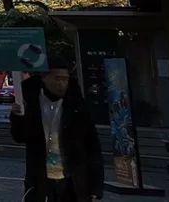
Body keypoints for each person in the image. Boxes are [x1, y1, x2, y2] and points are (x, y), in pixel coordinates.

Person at [10, 58, 104, 202]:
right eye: (57, 79)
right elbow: (20, 137)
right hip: (41, 178)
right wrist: (17, 117)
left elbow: (92, 145)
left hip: (72, 178)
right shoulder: (32, 102)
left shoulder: (76, 106)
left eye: (65, 79)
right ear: (44, 78)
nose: (61, 84)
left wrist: (95, 185)